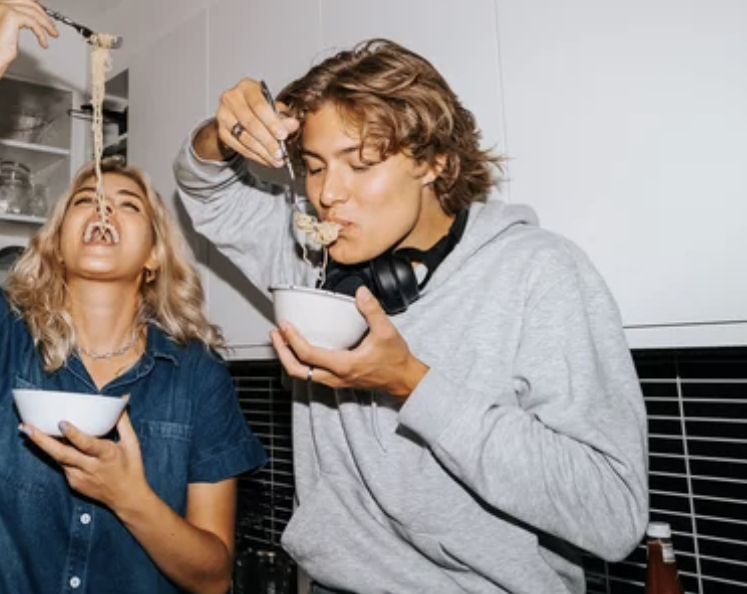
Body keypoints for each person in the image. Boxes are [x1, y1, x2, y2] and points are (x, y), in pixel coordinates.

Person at [173, 38, 649, 594]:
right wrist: (221, 130)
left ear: (434, 163)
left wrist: (411, 384)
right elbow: (207, 187)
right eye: (315, 166)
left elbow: (612, 512)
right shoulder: (312, 258)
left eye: (360, 164)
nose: (327, 193)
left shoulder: (538, 273)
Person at [0, 0, 266, 594]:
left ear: (154, 255)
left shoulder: (196, 379)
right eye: (85, 199)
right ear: (55, 241)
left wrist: (130, 497)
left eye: (128, 205)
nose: (103, 209)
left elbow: (212, 577)